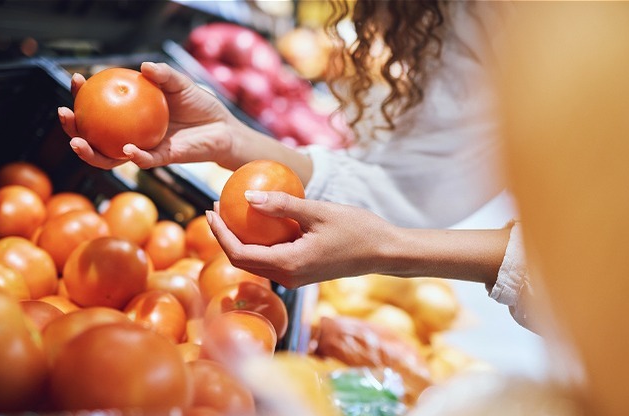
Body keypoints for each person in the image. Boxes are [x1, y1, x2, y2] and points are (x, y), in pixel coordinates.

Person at [57, 1, 530, 327]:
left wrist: (389, 246)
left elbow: (593, 269)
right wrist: (232, 139)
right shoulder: (458, 22)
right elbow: (404, 189)